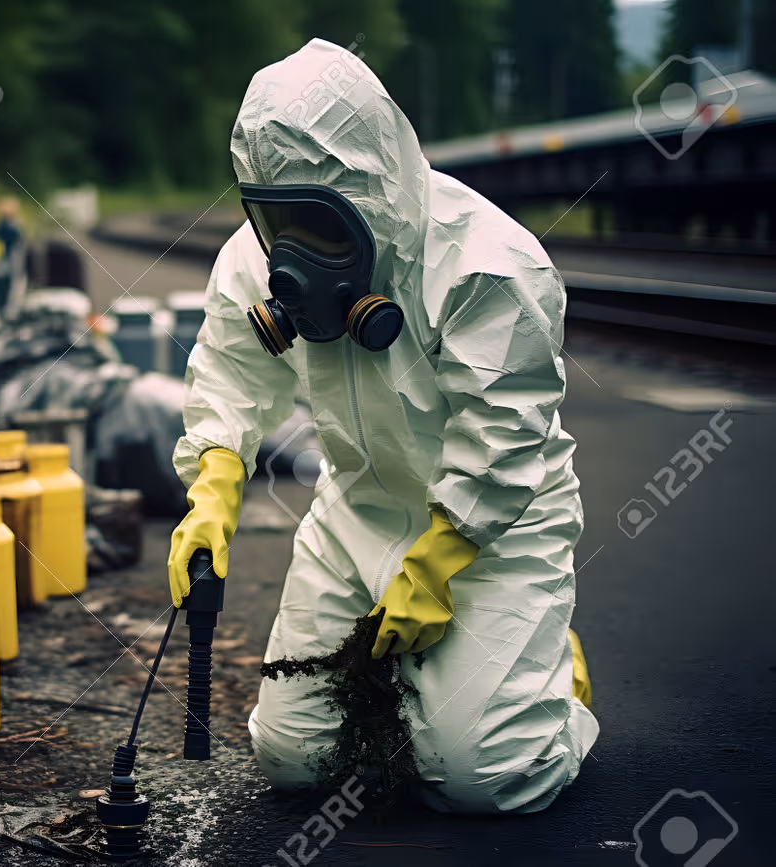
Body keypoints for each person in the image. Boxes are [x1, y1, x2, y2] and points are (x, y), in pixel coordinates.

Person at [168, 39, 597, 814]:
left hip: (491, 529)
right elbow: (231, 371)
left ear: (373, 197)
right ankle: (465, 671)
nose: (292, 251)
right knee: (294, 761)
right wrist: (214, 485)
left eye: (319, 224)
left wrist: (435, 564)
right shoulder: (254, 259)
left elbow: (503, 432)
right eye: (278, 218)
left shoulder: (488, 266)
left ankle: (554, 682)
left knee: (484, 778)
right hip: (354, 516)